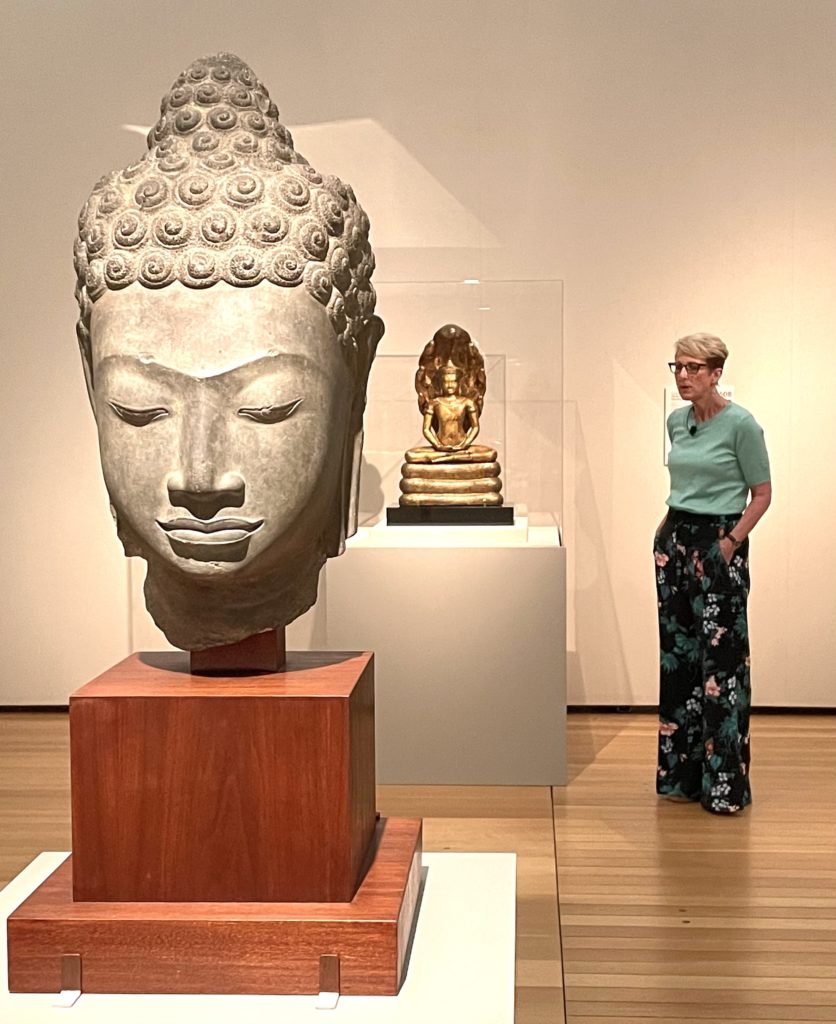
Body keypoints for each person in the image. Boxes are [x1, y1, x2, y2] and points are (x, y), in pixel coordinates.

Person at [654, 333, 771, 814]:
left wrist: (729, 544)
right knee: (678, 660)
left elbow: (762, 494)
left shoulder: (742, 425)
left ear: (717, 373)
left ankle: (724, 786)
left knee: (720, 667)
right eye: (677, 367)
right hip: (674, 541)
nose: (683, 376)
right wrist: (668, 537)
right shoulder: (676, 423)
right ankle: (682, 778)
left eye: (694, 368)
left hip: (719, 543)